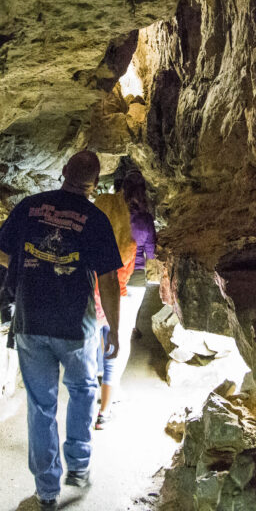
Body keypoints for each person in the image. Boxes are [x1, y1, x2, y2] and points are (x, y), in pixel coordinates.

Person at [0, 150, 122, 511]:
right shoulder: (94, 219)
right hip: (74, 326)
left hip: (30, 321)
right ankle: (78, 466)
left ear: (63, 171)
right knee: (82, 390)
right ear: (94, 185)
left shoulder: (29, 206)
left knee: (41, 405)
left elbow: (0, 256)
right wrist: (114, 328)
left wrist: (5, 303)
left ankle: (47, 490)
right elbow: (109, 280)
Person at [91, 168, 157, 428]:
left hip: (101, 279)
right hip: (133, 281)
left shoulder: (107, 210)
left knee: (102, 328)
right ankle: (109, 400)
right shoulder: (142, 221)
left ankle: (100, 377)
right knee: (120, 337)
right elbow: (150, 253)